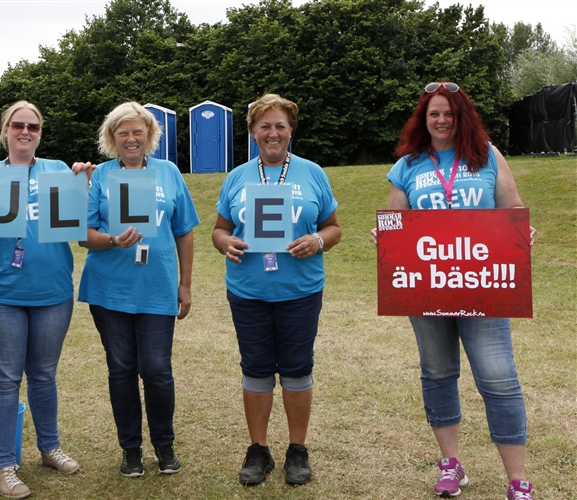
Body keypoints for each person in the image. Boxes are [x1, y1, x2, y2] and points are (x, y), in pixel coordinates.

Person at [373, 81, 537, 500]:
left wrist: (522, 231)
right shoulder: (408, 164)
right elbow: (396, 220)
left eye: (448, 113)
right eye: (434, 114)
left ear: (461, 116)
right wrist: (385, 237)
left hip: (482, 288)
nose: (441, 120)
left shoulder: (486, 155)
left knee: (499, 378)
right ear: (423, 120)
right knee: (439, 373)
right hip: (427, 291)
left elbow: (512, 207)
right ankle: (450, 465)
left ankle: (517, 481)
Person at [0, 101, 92, 499]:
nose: (25, 132)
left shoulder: (57, 169)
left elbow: (78, 227)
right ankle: (4, 467)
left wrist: (81, 186)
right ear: (5, 130)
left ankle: (49, 447)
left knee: (44, 374)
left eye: (32, 126)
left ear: (39, 131)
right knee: (4, 381)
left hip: (52, 291)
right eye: (17, 125)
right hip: (0, 293)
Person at [211, 94, 342, 486]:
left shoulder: (312, 172)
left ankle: (297, 450)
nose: (273, 133)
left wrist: (317, 241)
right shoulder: (237, 177)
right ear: (253, 132)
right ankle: (259, 450)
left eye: (280, 126)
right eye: (264, 126)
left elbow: (333, 226)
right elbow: (220, 229)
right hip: (248, 290)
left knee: (298, 370)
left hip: (299, 290)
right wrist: (225, 243)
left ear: (291, 130)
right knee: (255, 370)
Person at [76, 101, 199, 478]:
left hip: (158, 286)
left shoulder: (169, 172)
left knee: (158, 370)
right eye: (122, 132)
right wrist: (114, 240)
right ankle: (130, 448)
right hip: (109, 289)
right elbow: (83, 236)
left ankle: (164, 444)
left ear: (149, 134)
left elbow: (185, 230)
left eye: (137, 131)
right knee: (122, 370)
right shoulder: (100, 177)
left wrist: (186, 284)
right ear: (112, 138)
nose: (131, 138)